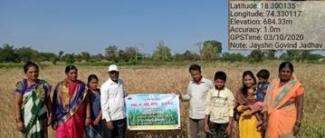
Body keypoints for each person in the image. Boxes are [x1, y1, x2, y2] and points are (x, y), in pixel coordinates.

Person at [263, 62, 304, 138]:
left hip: (288, 120)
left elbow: (300, 106)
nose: (285, 74)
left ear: (291, 73)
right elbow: (266, 102)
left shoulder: (296, 86)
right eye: (283, 71)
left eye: (288, 72)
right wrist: (265, 120)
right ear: (279, 72)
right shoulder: (273, 84)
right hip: (272, 119)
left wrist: (298, 123)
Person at [15, 61, 52, 138]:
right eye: (30, 72)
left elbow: (48, 101)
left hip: (42, 117)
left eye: (36, 71)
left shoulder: (44, 84)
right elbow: (17, 103)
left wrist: (50, 115)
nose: (34, 74)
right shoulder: (22, 85)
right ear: (26, 73)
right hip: (27, 118)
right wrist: (18, 121)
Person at [52, 65, 91, 138]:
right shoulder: (60, 86)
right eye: (71, 73)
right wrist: (53, 119)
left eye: (75, 73)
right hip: (62, 118)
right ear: (66, 74)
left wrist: (88, 117)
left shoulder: (82, 86)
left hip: (77, 118)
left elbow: (87, 102)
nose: (74, 75)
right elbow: (55, 104)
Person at [181, 64, 213, 138]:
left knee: (202, 136)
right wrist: (181, 97)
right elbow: (189, 96)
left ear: (200, 72)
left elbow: (213, 96)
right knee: (193, 136)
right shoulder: (190, 83)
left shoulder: (208, 83)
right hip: (192, 115)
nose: (195, 76)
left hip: (203, 116)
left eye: (196, 74)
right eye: (192, 75)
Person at [204, 71, 234, 138]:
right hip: (212, 121)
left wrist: (229, 126)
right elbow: (207, 108)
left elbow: (231, 110)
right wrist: (206, 124)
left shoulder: (228, 93)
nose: (219, 84)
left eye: (221, 82)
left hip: (224, 122)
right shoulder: (211, 92)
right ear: (214, 81)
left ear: (224, 82)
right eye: (217, 82)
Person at [100, 64, 127, 138]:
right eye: (112, 73)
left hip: (121, 117)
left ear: (118, 73)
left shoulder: (121, 82)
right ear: (109, 73)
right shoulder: (105, 86)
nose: (114, 74)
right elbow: (104, 104)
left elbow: (122, 94)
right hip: (111, 118)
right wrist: (108, 120)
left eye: (116, 72)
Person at [235, 71, 262, 138]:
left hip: (256, 120)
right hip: (244, 119)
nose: (248, 82)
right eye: (245, 80)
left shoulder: (259, 90)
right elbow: (237, 107)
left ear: (254, 79)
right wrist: (248, 107)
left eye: (250, 79)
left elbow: (263, 104)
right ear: (243, 81)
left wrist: (254, 108)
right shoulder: (240, 92)